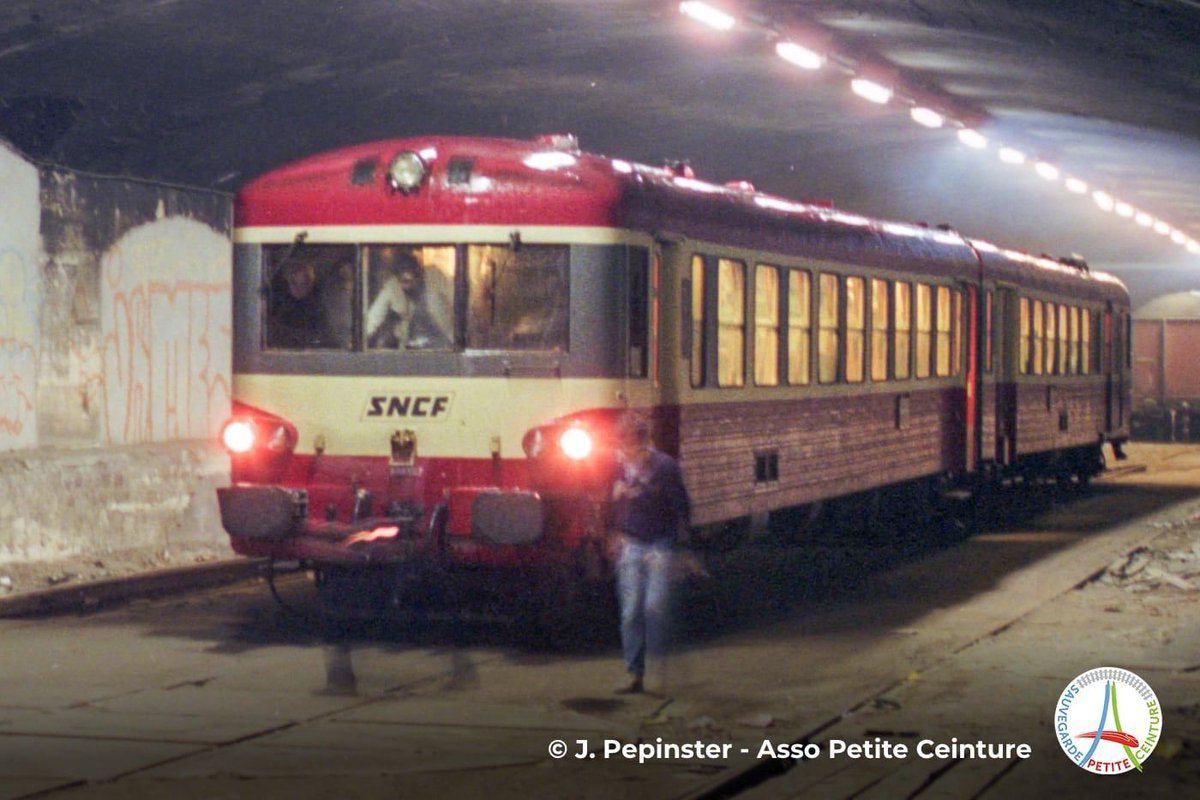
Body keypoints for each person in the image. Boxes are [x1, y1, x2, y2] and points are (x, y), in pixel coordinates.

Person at [609, 414, 691, 694]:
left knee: (654, 607)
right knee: (631, 610)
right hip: (630, 542)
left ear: (645, 443)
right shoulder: (618, 466)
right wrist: (613, 530)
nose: (628, 453)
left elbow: (681, 504)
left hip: (659, 543)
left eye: (632, 446)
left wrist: (683, 543)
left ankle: (657, 671)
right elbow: (609, 501)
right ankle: (634, 673)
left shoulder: (665, 467)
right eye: (624, 446)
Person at [365, 250, 454, 349]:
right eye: (401, 281)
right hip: (411, 347)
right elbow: (375, 315)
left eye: (409, 281)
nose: (405, 287)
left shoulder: (435, 277)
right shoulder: (393, 286)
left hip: (443, 344)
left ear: (419, 275)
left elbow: (455, 298)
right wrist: (360, 337)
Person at [267, 260, 338, 348]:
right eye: (294, 283)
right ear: (288, 282)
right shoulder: (278, 306)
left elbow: (326, 337)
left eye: (304, 284)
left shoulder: (318, 308)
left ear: (311, 284)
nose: (298, 288)